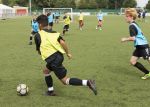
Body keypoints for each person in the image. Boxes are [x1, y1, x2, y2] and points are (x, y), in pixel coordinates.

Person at [34, 14, 97, 96]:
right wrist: (68, 53)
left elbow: (39, 51)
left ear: (40, 25)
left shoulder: (38, 35)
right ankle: (50, 91)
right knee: (46, 70)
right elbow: (63, 42)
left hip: (53, 60)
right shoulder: (54, 33)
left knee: (65, 81)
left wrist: (41, 51)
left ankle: (88, 82)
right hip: (59, 56)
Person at [121, 8, 150, 80]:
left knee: (148, 59)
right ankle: (147, 73)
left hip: (143, 46)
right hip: (139, 47)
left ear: (131, 16)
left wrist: (125, 39)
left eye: (126, 16)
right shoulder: (134, 23)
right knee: (132, 61)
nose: (125, 18)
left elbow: (133, 38)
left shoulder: (131, 26)